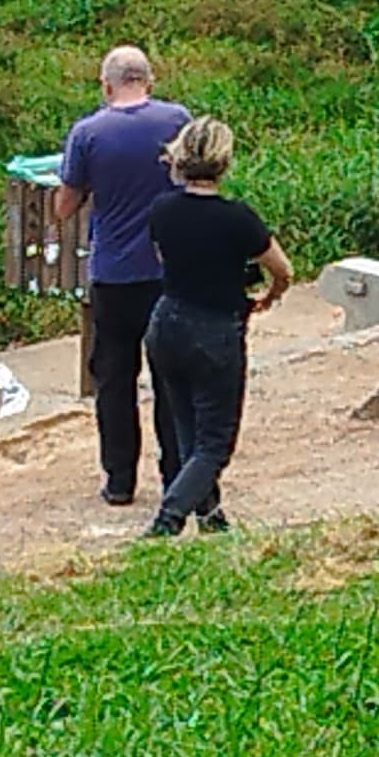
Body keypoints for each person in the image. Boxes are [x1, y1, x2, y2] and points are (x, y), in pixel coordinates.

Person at [54, 43, 193, 508]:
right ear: (149, 80)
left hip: (113, 273)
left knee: (114, 379)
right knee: (170, 375)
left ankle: (119, 481)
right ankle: (176, 472)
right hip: (167, 268)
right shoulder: (177, 121)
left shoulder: (87, 133)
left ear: (105, 85)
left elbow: (64, 206)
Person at [140, 113, 291, 538]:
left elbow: (164, 260)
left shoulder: (162, 210)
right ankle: (167, 519)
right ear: (224, 164)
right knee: (215, 442)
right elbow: (283, 268)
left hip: (167, 319)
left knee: (186, 425)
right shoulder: (238, 218)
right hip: (217, 328)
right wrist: (269, 295)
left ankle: (211, 516)